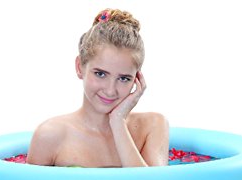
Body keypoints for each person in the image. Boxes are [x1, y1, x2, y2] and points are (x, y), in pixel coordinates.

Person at [26, 8, 169, 168]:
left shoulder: (153, 126)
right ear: (79, 67)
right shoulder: (50, 136)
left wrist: (118, 122)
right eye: (100, 74)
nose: (110, 90)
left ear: (137, 79)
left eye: (123, 78)